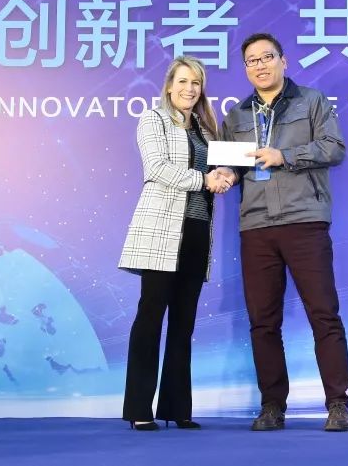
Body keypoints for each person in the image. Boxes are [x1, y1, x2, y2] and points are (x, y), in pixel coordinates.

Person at [216, 33, 348, 432]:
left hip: (304, 220)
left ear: (283, 60)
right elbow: (233, 165)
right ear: (246, 68)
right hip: (256, 225)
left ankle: (338, 404)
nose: (260, 65)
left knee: (323, 314)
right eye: (251, 60)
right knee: (263, 322)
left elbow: (334, 148)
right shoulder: (236, 115)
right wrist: (225, 174)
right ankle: (272, 406)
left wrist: (286, 155)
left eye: (267, 57)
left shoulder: (312, 101)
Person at [118, 56, 231, 431]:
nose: (189, 88)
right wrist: (204, 180)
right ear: (169, 86)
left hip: (197, 231)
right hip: (161, 231)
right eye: (183, 81)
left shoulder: (206, 129)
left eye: (196, 82)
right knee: (150, 318)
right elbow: (157, 168)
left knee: (184, 324)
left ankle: (177, 408)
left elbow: (218, 170)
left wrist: (226, 174)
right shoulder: (153, 119)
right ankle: (139, 408)